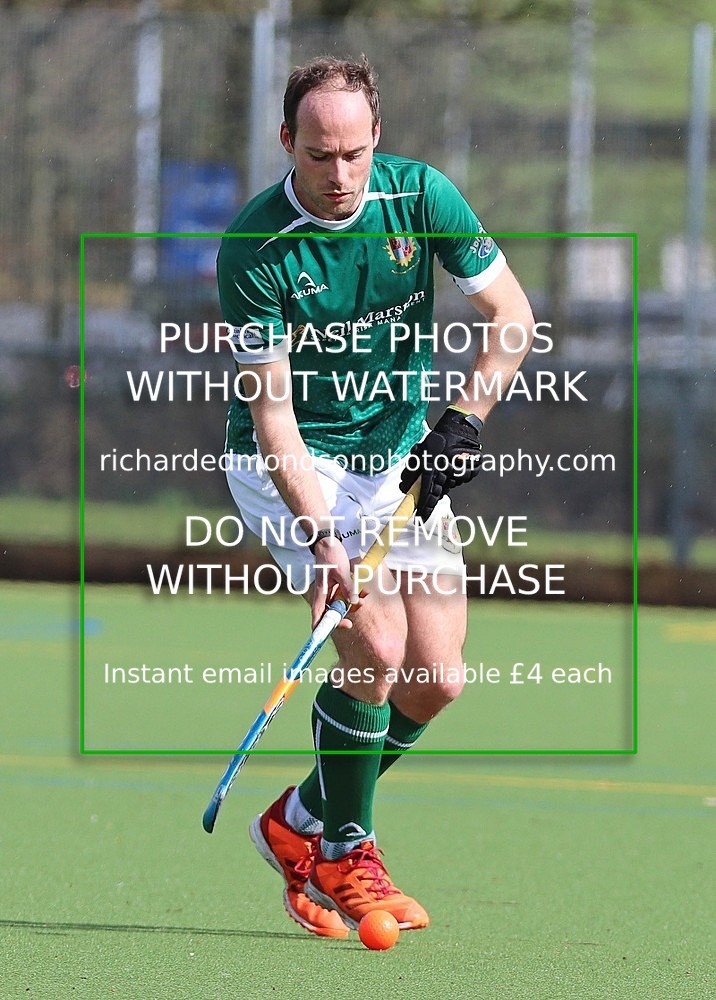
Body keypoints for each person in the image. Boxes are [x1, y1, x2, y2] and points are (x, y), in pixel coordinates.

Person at [216, 55, 534, 939]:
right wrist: (322, 542)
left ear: (377, 139)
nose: (341, 176)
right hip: (298, 468)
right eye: (320, 155)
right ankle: (351, 850)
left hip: (398, 459)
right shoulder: (256, 248)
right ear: (288, 142)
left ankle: (297, 822)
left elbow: (512, 316)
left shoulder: (421, 198)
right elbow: (273, 419)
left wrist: (463, 421)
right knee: (378, 645)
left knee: (436, 681)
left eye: (355, 153)